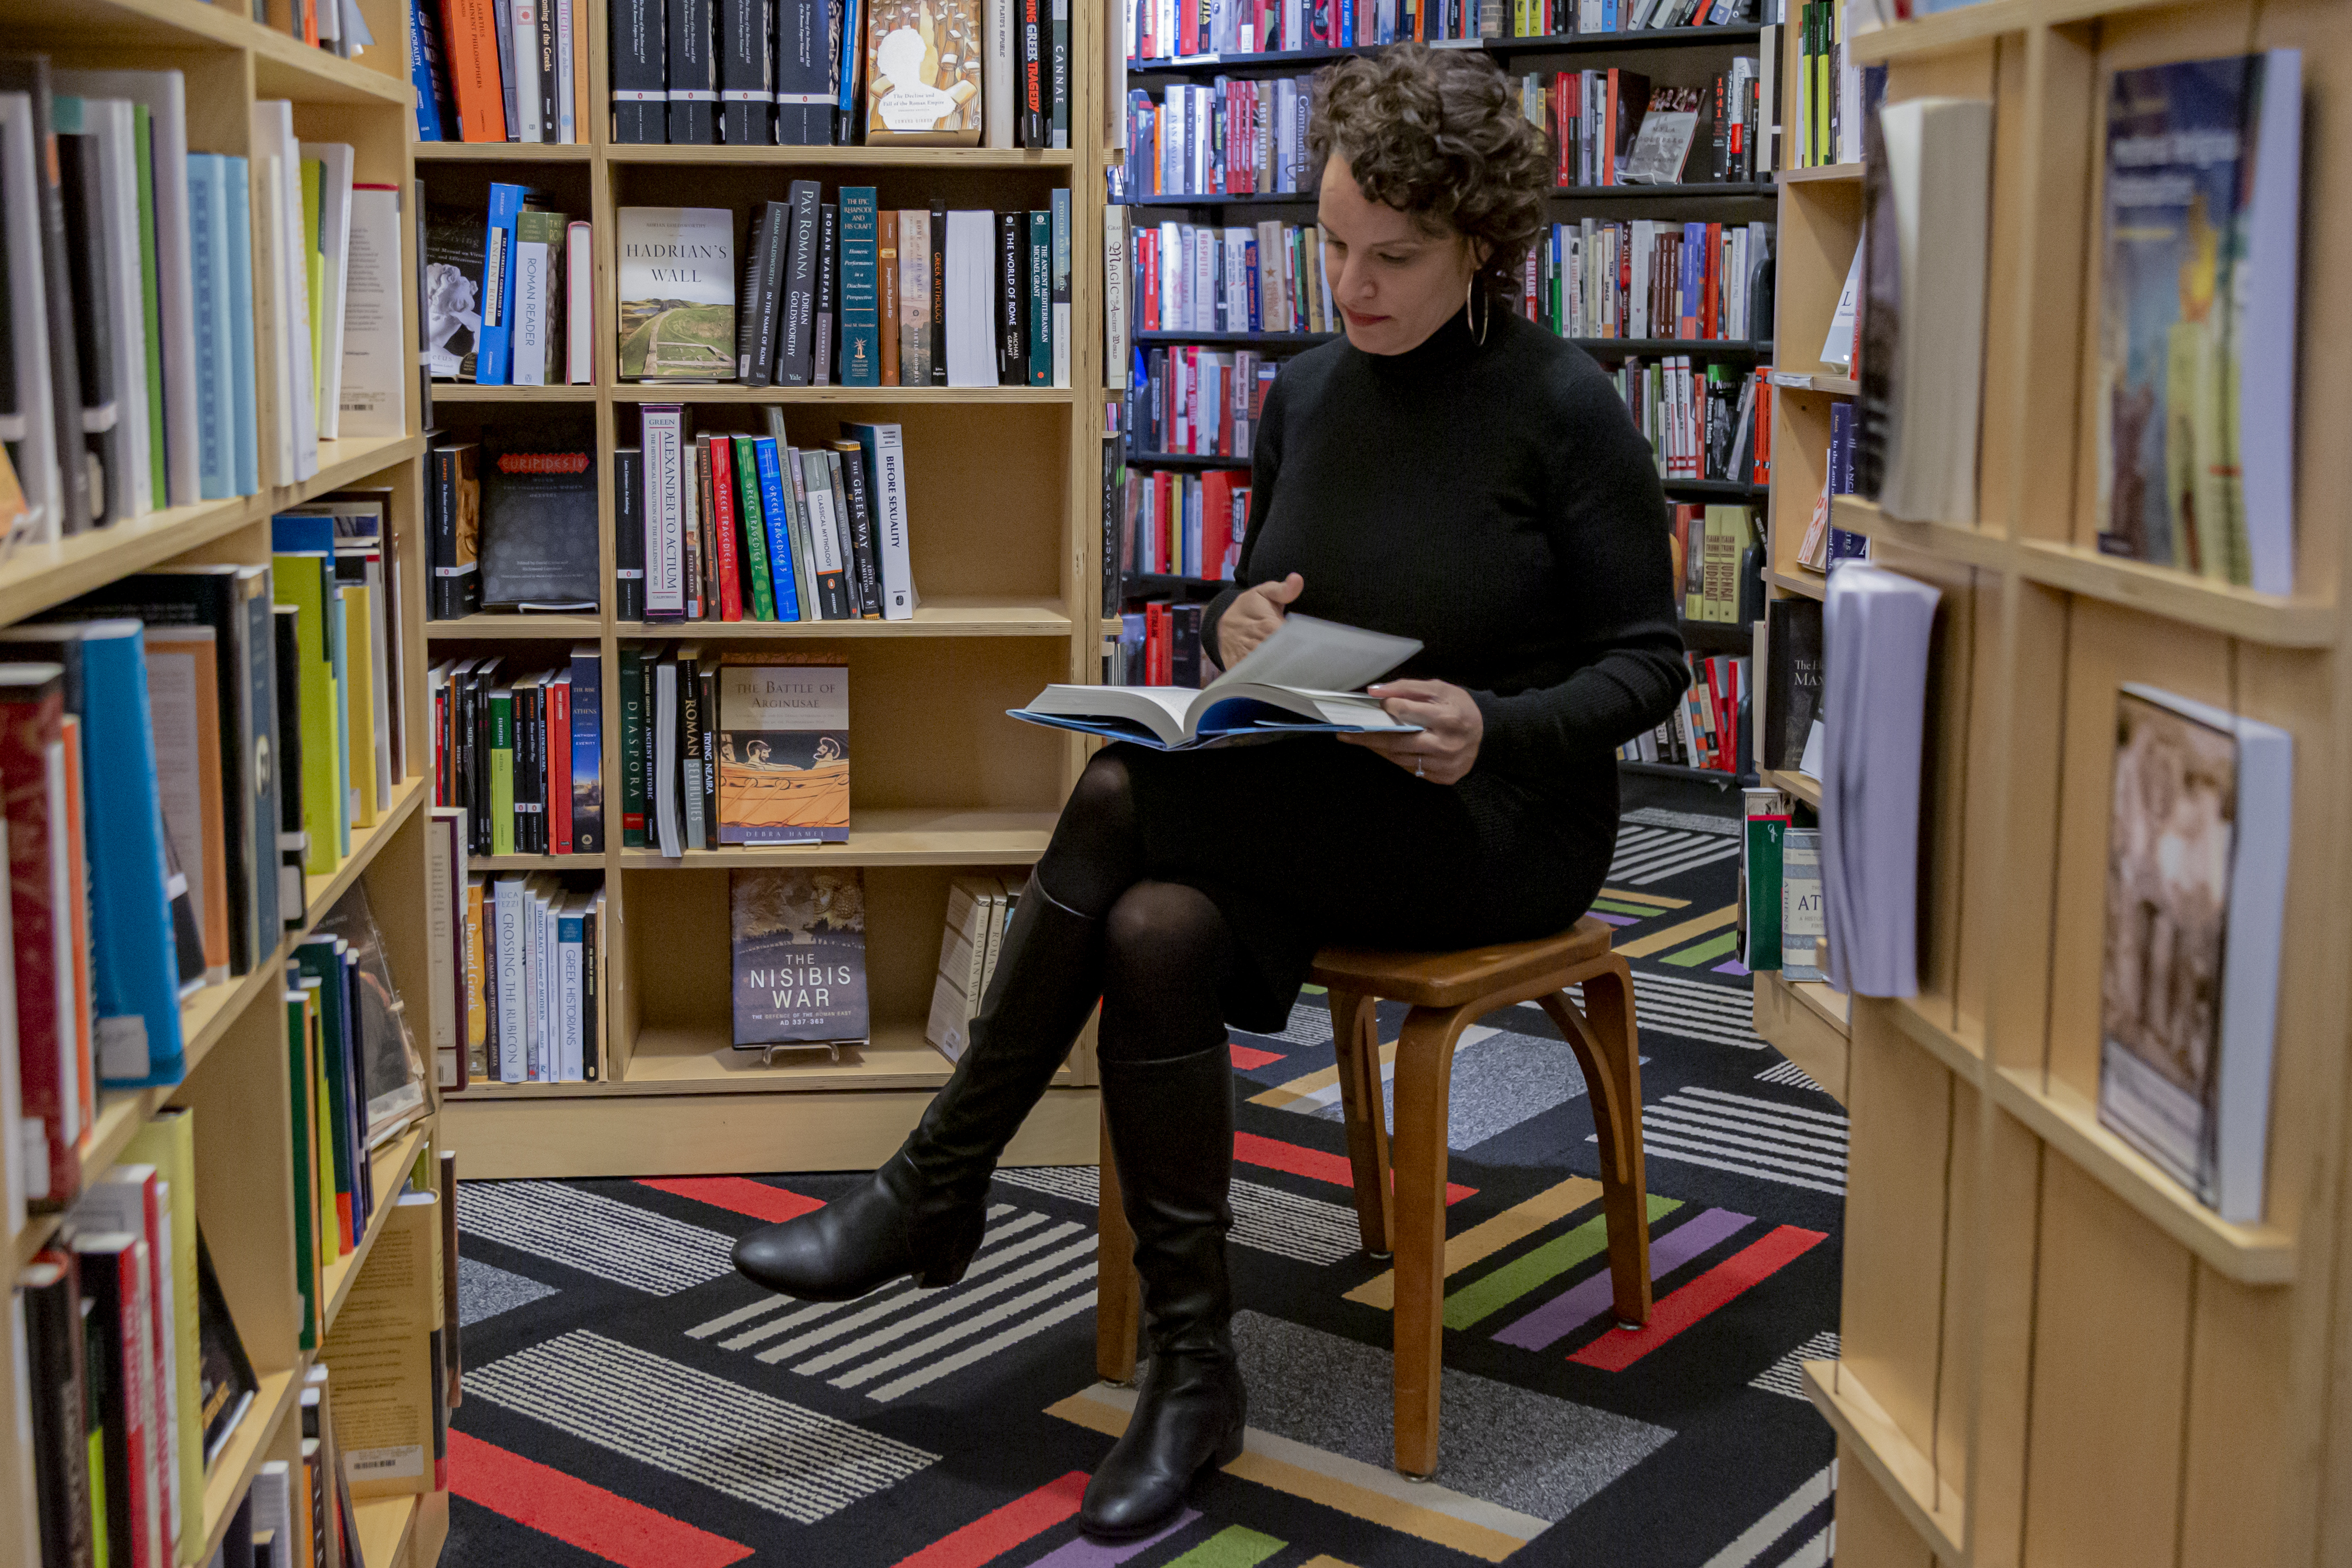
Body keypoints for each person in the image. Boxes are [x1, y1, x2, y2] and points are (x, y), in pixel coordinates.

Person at [731, 43, 1688, 1539]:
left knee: (1120, 790)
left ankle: (939, 1176)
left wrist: (1488, 726)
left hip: (1500, 825)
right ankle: (1193, 1372)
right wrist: (1236, 626)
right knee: (1154, 928)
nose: (1352, 284)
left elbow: (1648, 668)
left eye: (1396, 256)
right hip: (1318, 798)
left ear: (1483, 245)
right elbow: (1268, 600)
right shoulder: (1301, 394)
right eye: (1330, 243)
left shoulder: (1562, 405)